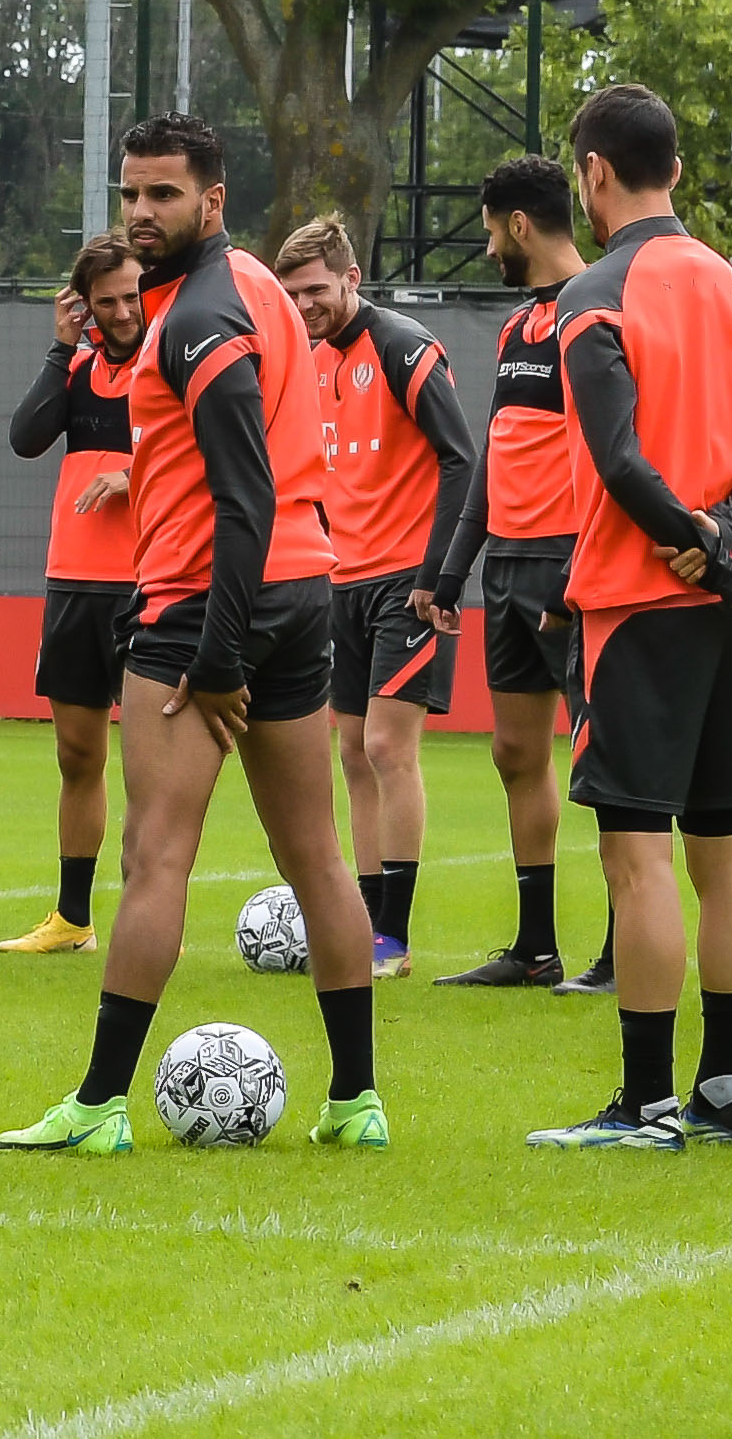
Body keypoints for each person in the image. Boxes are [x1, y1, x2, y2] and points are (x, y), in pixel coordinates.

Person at [0, 114, 388, 1156]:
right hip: (302, 591)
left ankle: (97, 1104)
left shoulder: (198, 317)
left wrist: (215, 660)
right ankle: (356, 1100)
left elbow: (241, 493)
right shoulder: (257, 285)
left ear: (210, 201)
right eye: (130, 193)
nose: (139, 211)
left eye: (162, 194)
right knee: (316, 856)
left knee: (155, 857)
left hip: (206, 602)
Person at [522, 84, 732, 1151]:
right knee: (719, 852)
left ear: (592, 173)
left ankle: (644, 1106)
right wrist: (731, 546)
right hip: (718, 611)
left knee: (636, 857)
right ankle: (722, 1093)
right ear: (675, 171)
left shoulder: (592, 295)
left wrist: (714, 564)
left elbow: (616, 461)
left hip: (640, 609)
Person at [280, 215, 480, 980]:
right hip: (341, 580)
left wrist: (438, 574)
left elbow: (463, 461)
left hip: (407, 581)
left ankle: (392, 937)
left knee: (389, 750)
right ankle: (364, 929)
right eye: (294, 294)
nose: (306, 307)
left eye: (318, 291)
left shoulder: (402, 346)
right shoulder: (307, 357)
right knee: (353, 756)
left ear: (352, 279)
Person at [438, 156, 602, 993]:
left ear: (521, 226)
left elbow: (606, 457)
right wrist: (449, 569)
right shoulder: (517, 325)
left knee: (602, 758)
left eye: (490, 227)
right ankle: (536, 949)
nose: (487, 244)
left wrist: (576, 574)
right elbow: (498, 457)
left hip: (568, 567)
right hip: (504, 563)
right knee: (514, 752)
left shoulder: (592, 312)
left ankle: (619, 949)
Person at [0, 239, 146, 954]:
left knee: (155, 768)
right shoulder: (79, 369)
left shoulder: (177, 366)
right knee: (78, 759)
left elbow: (220, 456)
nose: (122, 312)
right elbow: (26, 438)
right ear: (83, 307)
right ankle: (73, 919)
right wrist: (60, 351)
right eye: (106, 302)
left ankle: (154, 920)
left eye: (131, 296)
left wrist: (135, 476)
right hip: (74, 583)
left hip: (154, 585)